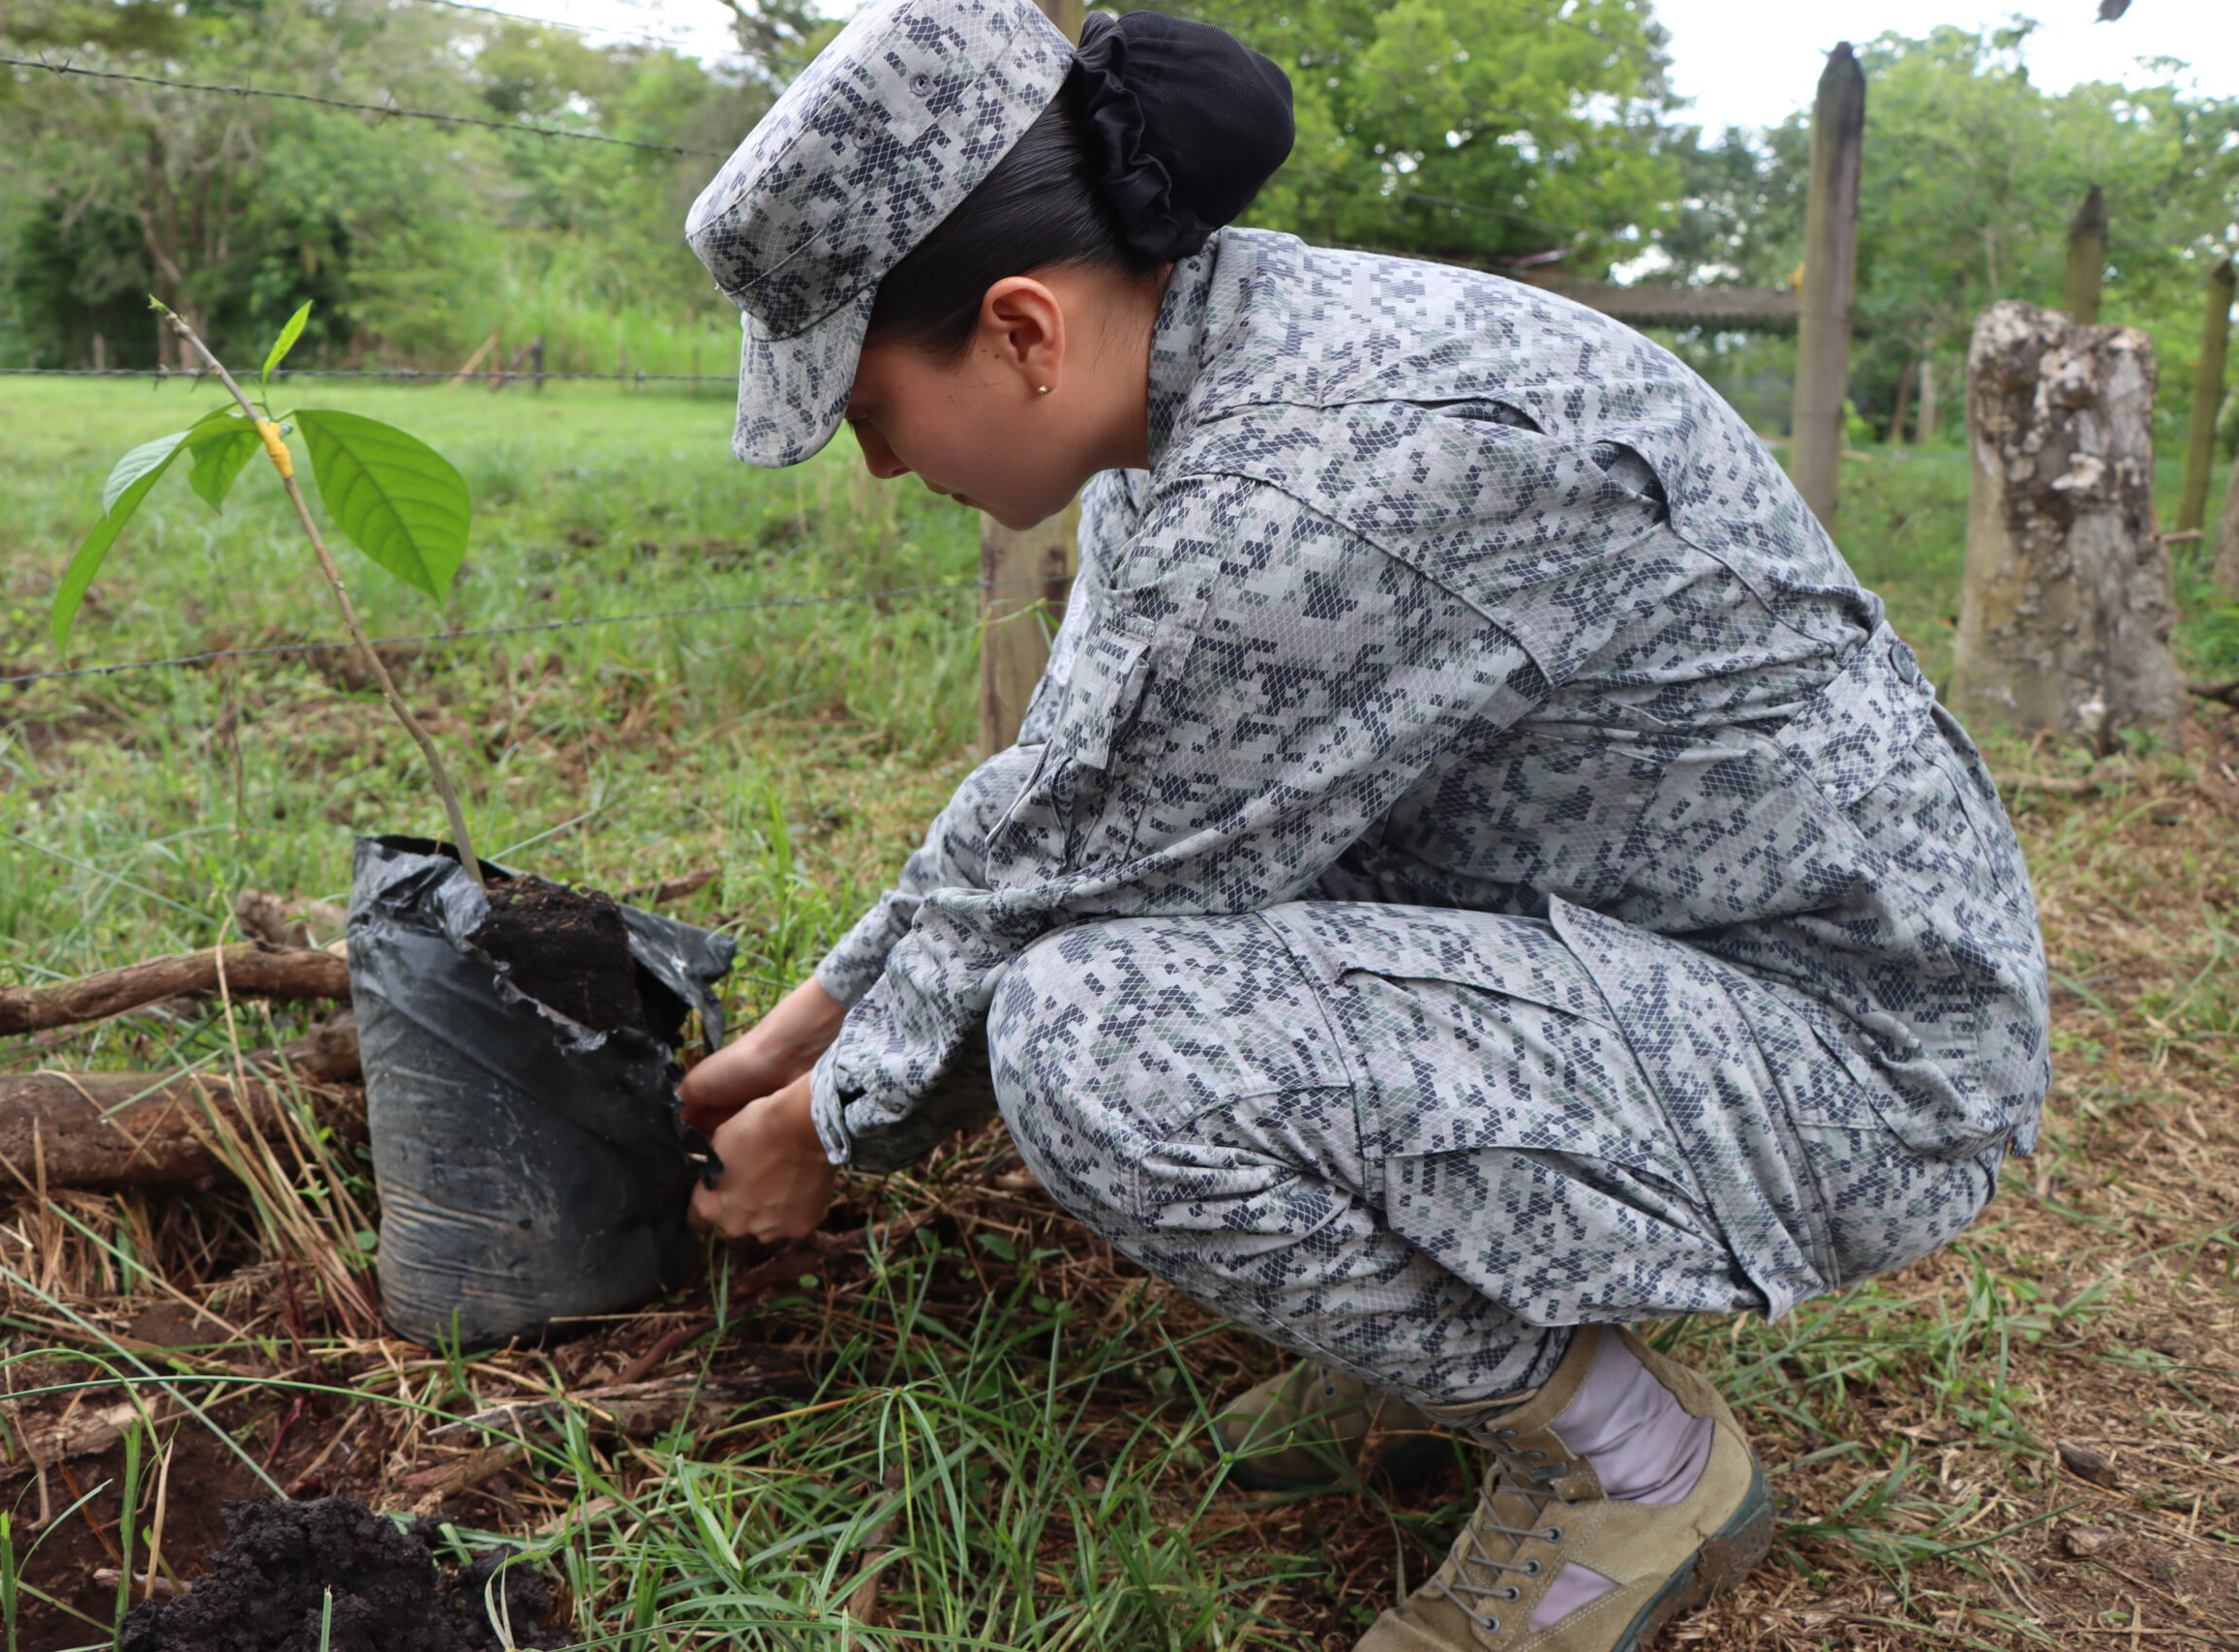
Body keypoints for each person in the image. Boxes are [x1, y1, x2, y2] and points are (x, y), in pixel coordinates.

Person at [673, 4, 2051, 1648]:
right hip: (1659, 951)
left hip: (1858, 1057)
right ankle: (1430, 1337)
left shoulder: (1308, 494)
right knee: (1145, 927)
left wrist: (830, 1130)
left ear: (1026, 330)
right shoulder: (1223, 378)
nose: (881, 468)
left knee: (1098, 1036)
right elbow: (1058, 814)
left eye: (872, 411)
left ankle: (1635, 1462)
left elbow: (1064, 904)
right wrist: (789, 1041)